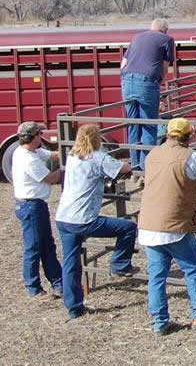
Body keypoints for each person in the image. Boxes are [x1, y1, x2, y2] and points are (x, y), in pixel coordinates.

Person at [138, 117, 196, 335]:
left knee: (157, 276)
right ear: (189, 136)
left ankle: (159, 322)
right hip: (174, 226)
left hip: (149, 225)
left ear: (167, 134)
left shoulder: (153, 154)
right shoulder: (190, 157)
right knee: (194, 269)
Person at [54, 124, 138, 319]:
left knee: (70, 262)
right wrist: (129, 161)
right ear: (97, 138)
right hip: (84, 219)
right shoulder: (97, 157)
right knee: (128, 227)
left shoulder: (74, 155)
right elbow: (123, 168)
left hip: (64, 217)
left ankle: (74, 307)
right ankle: (120, 263)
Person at [11, 121, 63, 299]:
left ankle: (58, 283)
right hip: (31, 206)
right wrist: (66, 168)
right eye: (39, 134)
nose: (41, 136)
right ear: (33, 137)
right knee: (34, 247)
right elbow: (49, 178)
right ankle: (33, 287)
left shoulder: (28, 151)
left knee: (46, 245)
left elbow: (50, 155)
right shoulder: (28, 159)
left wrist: (66, 153)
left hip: (33, 205)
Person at [121, 18, 175, 171]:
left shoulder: (137, 37)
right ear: (165, 30)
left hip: (126, 81)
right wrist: (158, 82)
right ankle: (147, 168)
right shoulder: (167, 40)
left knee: (133, 125)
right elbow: (165, 67)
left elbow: (123, 62)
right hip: (146, 82)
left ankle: (135, 166)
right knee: (149, 125)